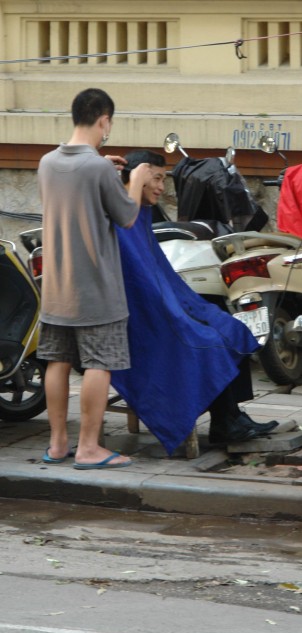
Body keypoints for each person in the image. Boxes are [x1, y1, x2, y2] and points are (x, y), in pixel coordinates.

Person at [110, 149, 278, 454]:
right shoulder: (121, 217)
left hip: (162, 305)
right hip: (141, 320)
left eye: (164, 179)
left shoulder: (141, 214)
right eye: (157, 179)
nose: (162, 188)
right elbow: (138, 283)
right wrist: (177, 313)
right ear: (138, 176)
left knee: (227, 325)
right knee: (208, 340)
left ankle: (229, 417)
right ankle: (226, 421)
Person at [37, 88, 154, 470]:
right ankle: (89, 448)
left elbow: (78, 188)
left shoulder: (47, 162)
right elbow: (126, 216)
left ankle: (57, 445)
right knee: (99, 364)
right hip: (96, 289)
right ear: (104, 120)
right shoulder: (101, 168)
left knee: (57, 362)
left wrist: (105, 168)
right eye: (109, 124)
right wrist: (134, 178)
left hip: (56, 288)